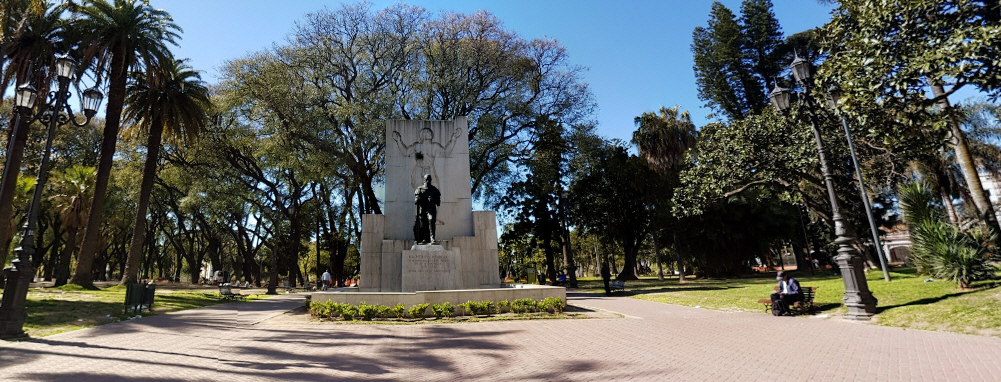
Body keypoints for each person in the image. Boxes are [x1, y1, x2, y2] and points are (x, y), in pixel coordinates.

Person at [414, 174, 441, 244]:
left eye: (429, 179)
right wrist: (418, 199)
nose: (428, 181)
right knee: (423, 224)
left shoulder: (434, 190)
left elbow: (438, 202)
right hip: (423, 209)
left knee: (431, 220)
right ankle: (424, 239)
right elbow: (416, 200)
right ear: (424, 180)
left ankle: (432, 238)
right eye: (426, 179)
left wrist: (433, 200)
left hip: (431, 209)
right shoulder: (419, 189)